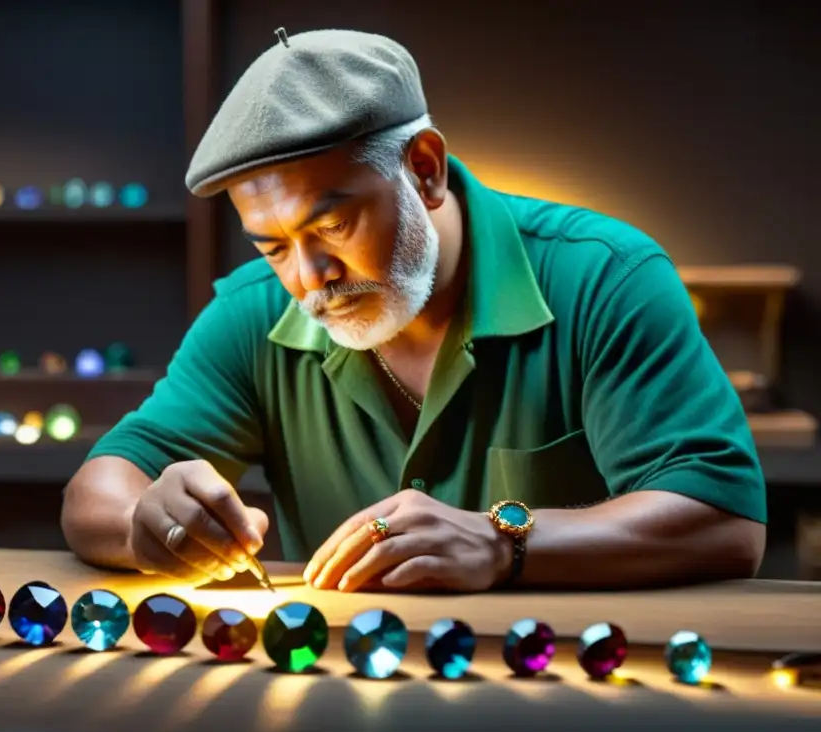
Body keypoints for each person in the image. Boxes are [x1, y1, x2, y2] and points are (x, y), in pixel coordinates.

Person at [61, 28, 766, 593]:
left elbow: (725, 523)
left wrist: (502, 541)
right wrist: (142, 521)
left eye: (331, 228)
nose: (309, 280)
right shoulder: (249, 314)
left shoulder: (607, 277)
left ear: (423, 168)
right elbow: (97, 490)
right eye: (273, 246)